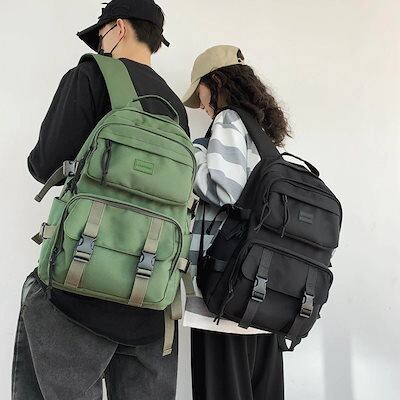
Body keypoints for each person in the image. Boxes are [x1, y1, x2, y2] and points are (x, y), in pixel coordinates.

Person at [12, 1, 190, 399]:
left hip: (76, 293)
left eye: (102, 35)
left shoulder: (90, 75)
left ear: (119, 28)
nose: (100, 45)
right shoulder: (174, 108)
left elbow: (45, 164)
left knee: (36, 293)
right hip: (150, 301)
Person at [182, 45, 290, 400]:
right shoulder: (264, 136)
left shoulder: (229, 119)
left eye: (200, 91)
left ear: (215, 81)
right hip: (262, 296)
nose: (202, 105)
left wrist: (194, 154)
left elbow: (225, 189)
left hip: (224, 293)